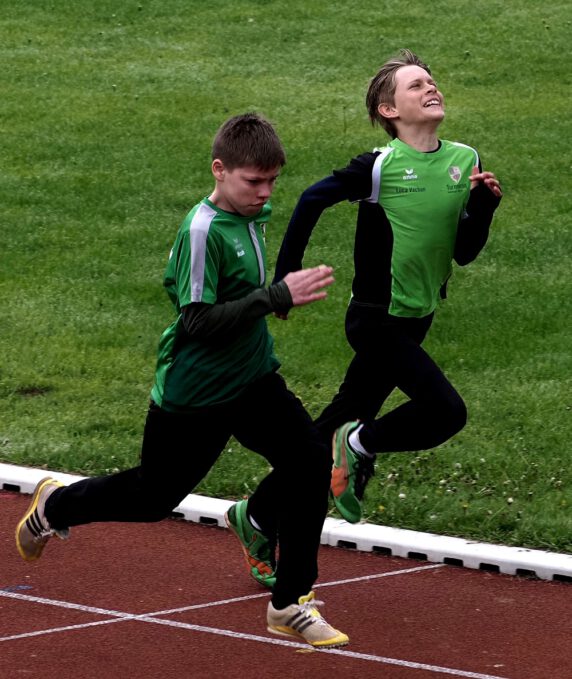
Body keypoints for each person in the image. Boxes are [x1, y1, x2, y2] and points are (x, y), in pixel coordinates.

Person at [15, 112, 348, 648]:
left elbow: (241, 294)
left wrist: (271, 300)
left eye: (272, 181)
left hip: (253, 379)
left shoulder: (251, 214)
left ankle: (290, 603)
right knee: (153, 499)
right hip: (197, 393)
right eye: (254, 181)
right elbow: (197, 322)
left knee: (309, 461)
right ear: (219, 170)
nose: (266, 193)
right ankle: (55, 506)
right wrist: (273, 297)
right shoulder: (201, 231)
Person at [272, 49, 503, 525]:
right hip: (376, 320)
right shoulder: (379, 167)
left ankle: (257, 514)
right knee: (445, 412)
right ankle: (359, 444)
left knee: (332, 425)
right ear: (389, 110)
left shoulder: (465, 160)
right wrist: (285, 275)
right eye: (416, 85)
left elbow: (463, 252)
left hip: (419, 317)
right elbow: (311, 200)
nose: (430, 87)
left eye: (431, 81)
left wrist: (482, 209)